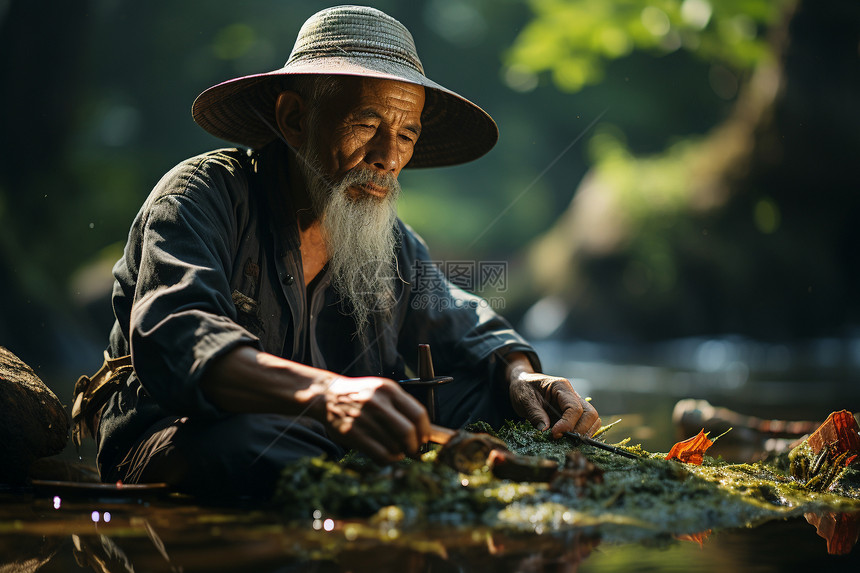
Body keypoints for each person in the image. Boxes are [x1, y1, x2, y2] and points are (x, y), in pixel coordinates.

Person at [72, 5, 600, 498]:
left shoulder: (388, 243)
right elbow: (176, 334)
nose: (389, 157)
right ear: (295, 120)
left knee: (502, 404)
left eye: (407, 133)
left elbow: (462, 318)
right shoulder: (202, 196)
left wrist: (522, 372)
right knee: (260, 446)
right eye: (368, 124)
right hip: (178, 440)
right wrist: (329, 396)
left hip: (325, 439)